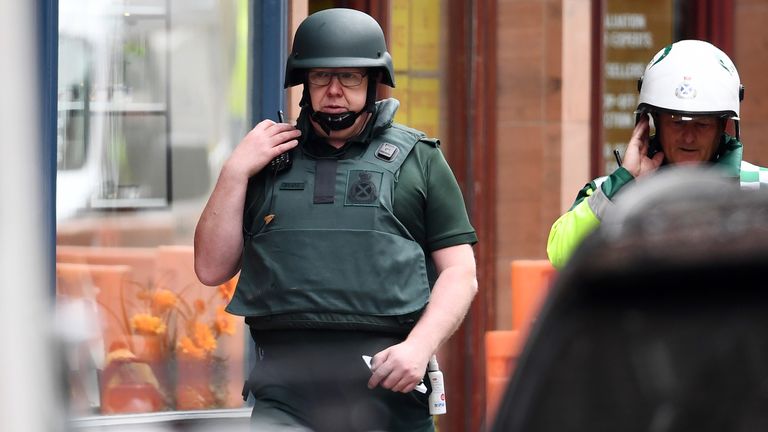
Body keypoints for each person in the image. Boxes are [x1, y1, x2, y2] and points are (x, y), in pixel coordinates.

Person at [193, 8, 478, 432]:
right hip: (286, 396)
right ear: (304, 84)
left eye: (349, 77)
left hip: (389, 389)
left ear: (371, 82)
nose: (334, 90)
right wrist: (234, 172)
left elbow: (460, 273)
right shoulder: (266, 160)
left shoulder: (420, 159)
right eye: (321, 76)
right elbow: (211, 268)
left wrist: (418, 348)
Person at [547, 39, 768, 269]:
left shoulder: (761, 189)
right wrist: (623, 183)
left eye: (702, 124)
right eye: (676, 123)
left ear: (722, 126)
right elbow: (561, 253)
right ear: (653, 122)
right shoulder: (611, 192)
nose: (689, 137)